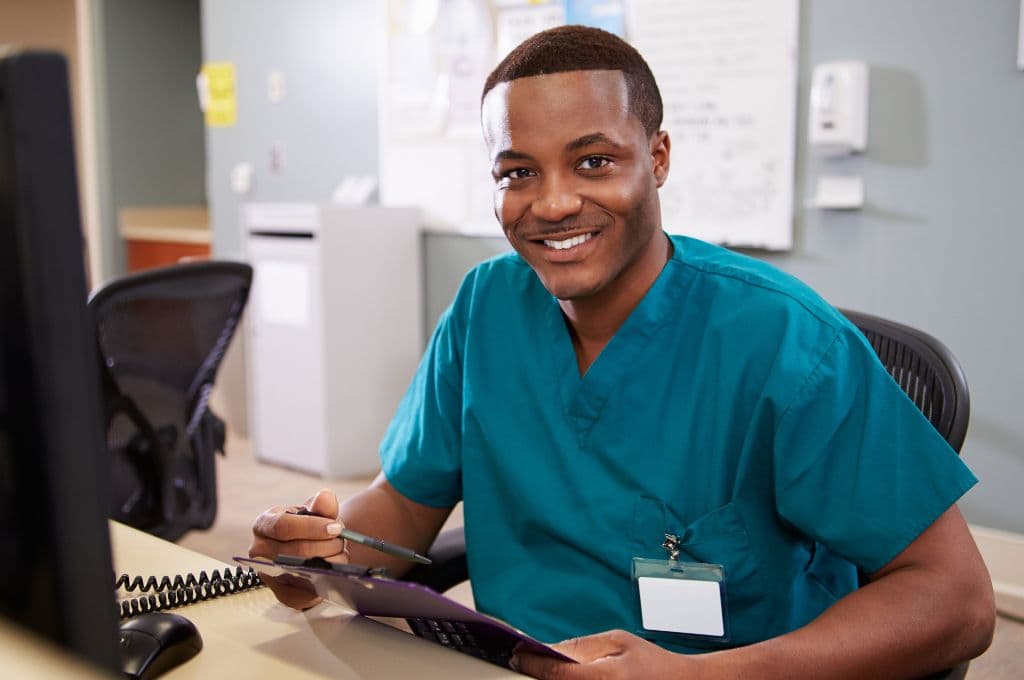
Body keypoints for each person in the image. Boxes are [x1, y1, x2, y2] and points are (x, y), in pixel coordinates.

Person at [250, 25, 994, 678]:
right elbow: (403, 509)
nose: (552, 203)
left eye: (594, 162)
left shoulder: (787, 342)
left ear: (658, 156)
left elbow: (955, 601)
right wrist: (325, 549)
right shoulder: (485, 310)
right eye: (517, 172)